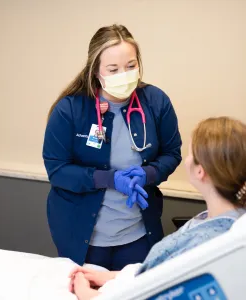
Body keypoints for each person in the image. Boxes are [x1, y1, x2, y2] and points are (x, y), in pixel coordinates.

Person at [42, 24, 182, 271]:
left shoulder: (156, 102)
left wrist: (148, 174)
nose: (124, 74)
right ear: (96, 71)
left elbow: (172, 153)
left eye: (131, 66)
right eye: (113, 69)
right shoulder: (70, 110)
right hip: (82, 237)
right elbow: (58, 170)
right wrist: (110, 179)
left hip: (139, 234)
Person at [69, 116, 246, 300]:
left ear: (201, 171)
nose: (186, 160)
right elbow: (161, 271)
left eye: (190, 154)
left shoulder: (208, 245)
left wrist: (86, 294)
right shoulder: (223, 219)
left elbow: (156, 290)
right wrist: (111, 276)